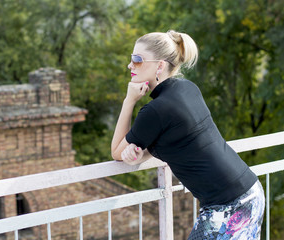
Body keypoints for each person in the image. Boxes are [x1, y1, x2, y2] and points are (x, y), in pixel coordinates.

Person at [111, 30, 265, 239]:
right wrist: (141, 152)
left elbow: (116, 151)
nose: (130, 65)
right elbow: (178, 140)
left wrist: (129, 101)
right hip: (250, 191)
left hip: (227, 206)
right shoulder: (188, 88)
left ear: (160, 65)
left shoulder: (154, 111)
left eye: (137, 60)